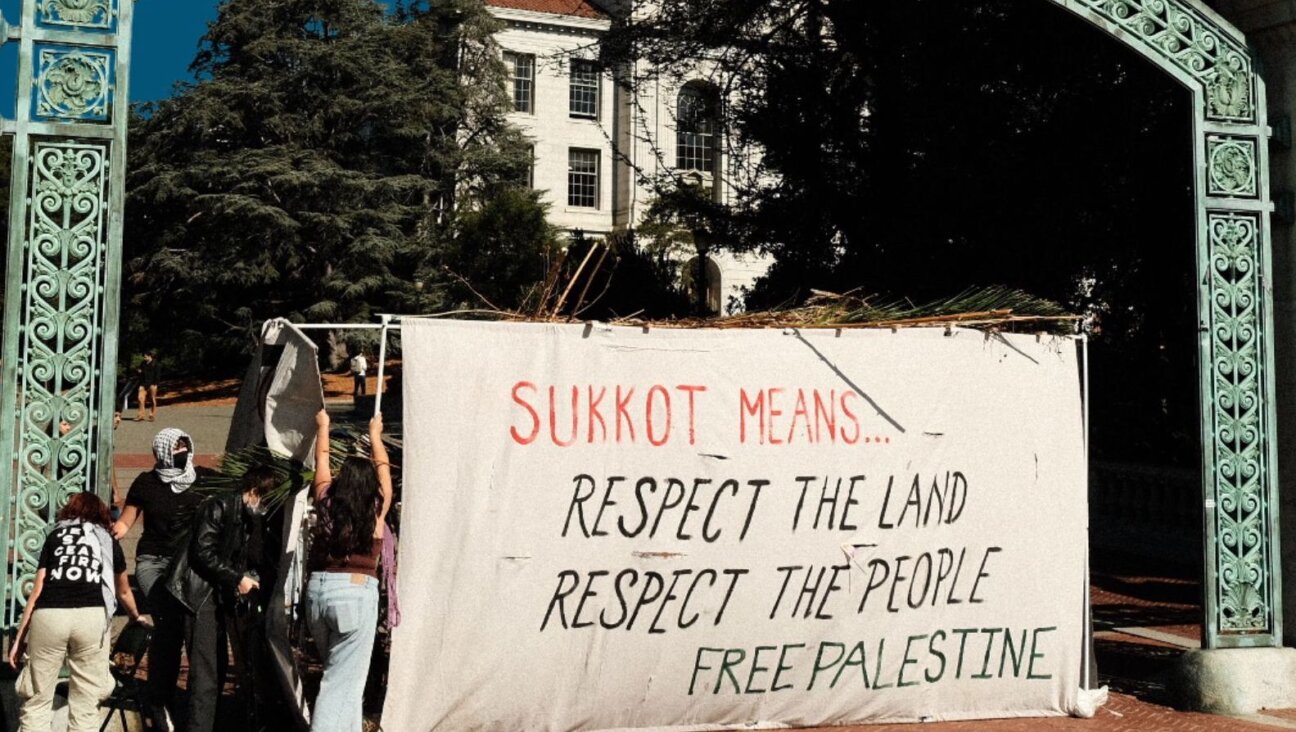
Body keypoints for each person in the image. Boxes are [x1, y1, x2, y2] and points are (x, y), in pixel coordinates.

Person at [9, 493, 152, 732]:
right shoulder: (107, 539)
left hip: (50, 615)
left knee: (36, 700)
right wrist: (135, 615)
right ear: (101, 514)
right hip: (91, 617)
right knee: (85, 705)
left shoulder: (56, 536)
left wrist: (20, 639)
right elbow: (123, 591)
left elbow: (37, 591)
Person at [166, 465, 276, 732]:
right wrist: (237, 578)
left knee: (216, 666)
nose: (263, 507)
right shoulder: (219, 506)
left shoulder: (247, 516)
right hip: (199, 594)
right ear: (252, 492)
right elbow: (203, 553)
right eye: (263, 499)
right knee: (207, 673)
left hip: (216, 595)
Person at [112, 428, 206, 728]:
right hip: (154, 562)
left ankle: (192, 700)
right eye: (175, 447)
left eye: (184, 445)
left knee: (190, 628)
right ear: (161, 451)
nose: (181, 452)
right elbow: (127, 521)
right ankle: (159, 700)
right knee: (167, 619)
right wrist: (108, 534)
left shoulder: (203, 478)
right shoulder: (146, 483)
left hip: (191, 564)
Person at [307, 409, 391, 732]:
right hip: (355, 595)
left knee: (345, 679)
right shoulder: (376, 506)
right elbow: (383, 469)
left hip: (319, 591)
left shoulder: (326, 499)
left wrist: (323, 427)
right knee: (338, 682)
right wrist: (375, 436)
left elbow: (322, 459)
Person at [136, 352, 161, 422]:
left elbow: (158, 375)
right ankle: (141, 415)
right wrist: (139, 372)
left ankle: (152, 415)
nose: (144, 358)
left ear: (150, 357)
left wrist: (155, 384)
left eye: (145, 357)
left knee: (152, 399)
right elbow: (139, 370)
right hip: (143, 384)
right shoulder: (143, 363)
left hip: (152, 384)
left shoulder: (156, 364)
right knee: (140, 398)